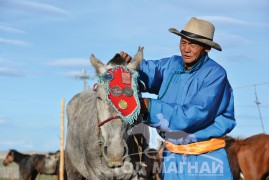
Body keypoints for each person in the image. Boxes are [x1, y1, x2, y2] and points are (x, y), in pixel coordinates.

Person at [121, 17, 236, 179]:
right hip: (172, 160)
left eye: (193, 44)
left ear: (206, 49)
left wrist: (149, 107)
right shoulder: (171, 65)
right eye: (183, 43)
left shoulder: (215, 75)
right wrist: (128, 68)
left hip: (207, 159)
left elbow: (193, 115)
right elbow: (148, 72)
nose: (186, 49)